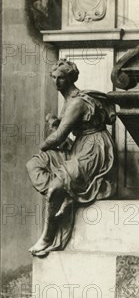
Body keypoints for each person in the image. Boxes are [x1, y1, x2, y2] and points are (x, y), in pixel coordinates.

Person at [26, 60, 116, 256]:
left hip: (94, 148)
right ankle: (66, 193)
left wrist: (43, 144)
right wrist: (56, 122)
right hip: (79, 145)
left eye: (62, 78)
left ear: (70, 79)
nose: (57, 82)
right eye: (55, 78)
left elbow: (59, 136)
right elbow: (66, 129)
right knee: (34, 163)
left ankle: (47, 236)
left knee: (56, 185)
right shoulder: (69, 100)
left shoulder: (76, 102)